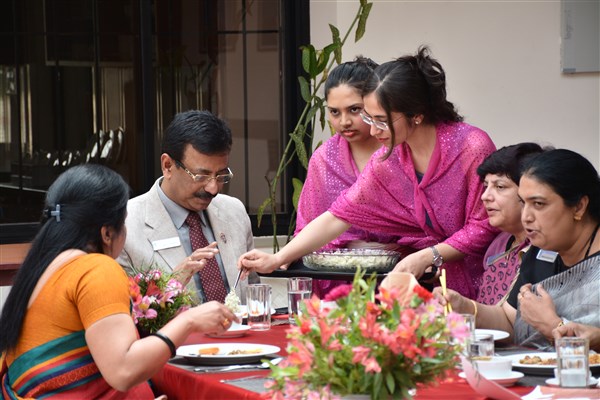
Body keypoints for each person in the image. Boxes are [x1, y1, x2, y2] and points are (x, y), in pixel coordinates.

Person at [239, 46, 498, 299]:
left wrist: (427, 255)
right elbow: (338, 215)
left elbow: (485, 225)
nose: (373, 131)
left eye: (381, 120)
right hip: (426, 286)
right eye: (369, 118)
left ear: (416, 115)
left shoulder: (471, 147)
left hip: (480, 281)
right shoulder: (389, 157)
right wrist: (277, 258)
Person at [0, 164, 237, 398]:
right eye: (123, 223)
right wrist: (189, 320)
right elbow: (123, 371)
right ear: (106, 233)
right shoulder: (95, 269)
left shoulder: (42, 268)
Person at [435, 149, 600, 350]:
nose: (526, 217)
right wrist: (465, 307)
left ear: (579, 207)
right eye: (523, 202)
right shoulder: (538, 252)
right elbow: (509, 320)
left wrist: (553, 325)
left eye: (538, 204)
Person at [118, 110, 258, 304]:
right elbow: (125, 310)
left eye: (221, 175)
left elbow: (252, 292)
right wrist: (172, 284)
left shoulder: (234, 211)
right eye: (201, 176)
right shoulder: (125, 225)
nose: (213, 188)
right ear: (167, 165)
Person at [295, 56, 400, 298]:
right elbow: (307, 230)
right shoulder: (324, 159)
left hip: (403, 279)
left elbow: (430, 227)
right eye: (334, 112)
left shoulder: (402, 152)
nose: (344, 122)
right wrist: (352, 247)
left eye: (354, 110)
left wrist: (391, 249)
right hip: (339, 287)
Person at [475, 142, 548, 305]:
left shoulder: (547, 250)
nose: (485, 196)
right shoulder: (498, 244)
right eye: (486, 186)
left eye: (500, 186)